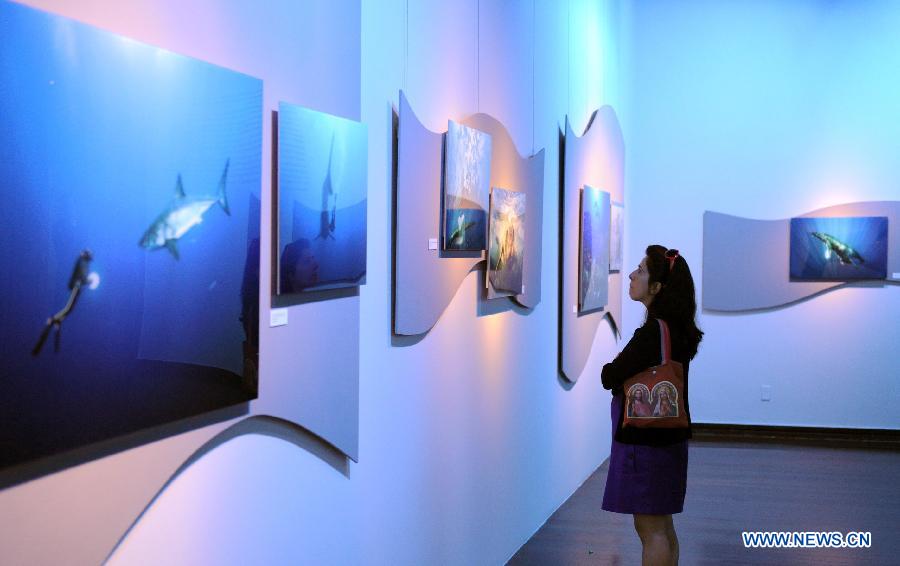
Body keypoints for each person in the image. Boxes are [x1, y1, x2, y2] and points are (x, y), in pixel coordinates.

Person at [600, 246, 704, 566]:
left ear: (658, 287)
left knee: (651, 529)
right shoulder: (676, 330)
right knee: (663, 525)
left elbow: (611, 375)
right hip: (668, 440)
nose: (632, 275)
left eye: (641, 271)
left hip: (645, 443)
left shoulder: (653, 332)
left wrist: (611, 369)